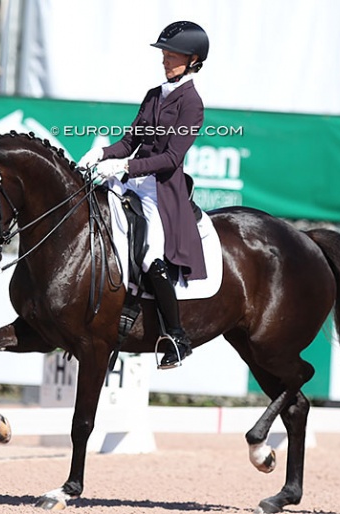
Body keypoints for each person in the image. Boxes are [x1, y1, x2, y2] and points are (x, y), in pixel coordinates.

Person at [78, 21, 209, 369]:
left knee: (151, 257)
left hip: (160, 192)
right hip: (132, 179)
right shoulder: (154, 94)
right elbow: (129, 142)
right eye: (164, 54)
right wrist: (103, 153)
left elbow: (170, 159)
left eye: (172, 55)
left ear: (194, 59)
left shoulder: (192, 104)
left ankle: (178, 338)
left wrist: (124, 168)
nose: (165, 60)